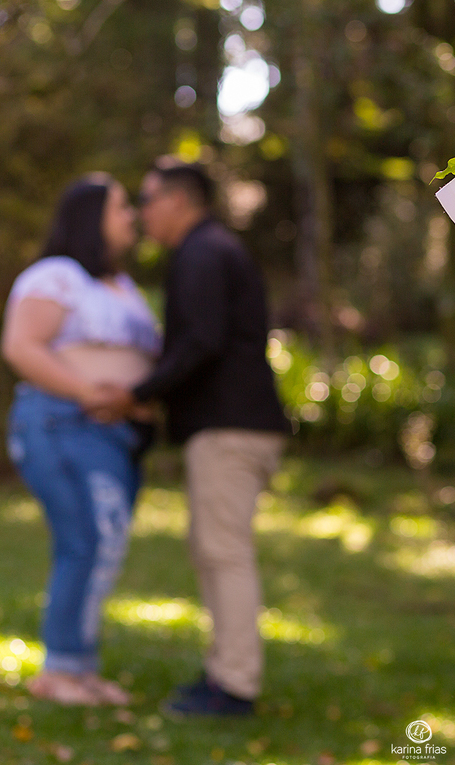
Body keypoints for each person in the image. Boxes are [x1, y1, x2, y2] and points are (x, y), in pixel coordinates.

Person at [91, 158, 289, 716]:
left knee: (223, 552)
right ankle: (224, 674)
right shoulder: (209, 251)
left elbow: (199, 343)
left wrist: (137, 393)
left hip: (231, 428)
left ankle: (233, 686)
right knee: (215, 550)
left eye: (146, 201)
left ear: (177, 202)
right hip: (231, 425)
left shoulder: (203, 253)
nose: (141, 213)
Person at [1, 173, 159, 706]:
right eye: (121, 208)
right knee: (85, 541)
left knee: (104, 545)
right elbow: (22, 346)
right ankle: (59, 671)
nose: (132, 216)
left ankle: (80, 669)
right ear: (90, 217)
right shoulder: (57, 276)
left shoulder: (122, 286)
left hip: (114, 436)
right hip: (62, 423)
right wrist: (91, 393)